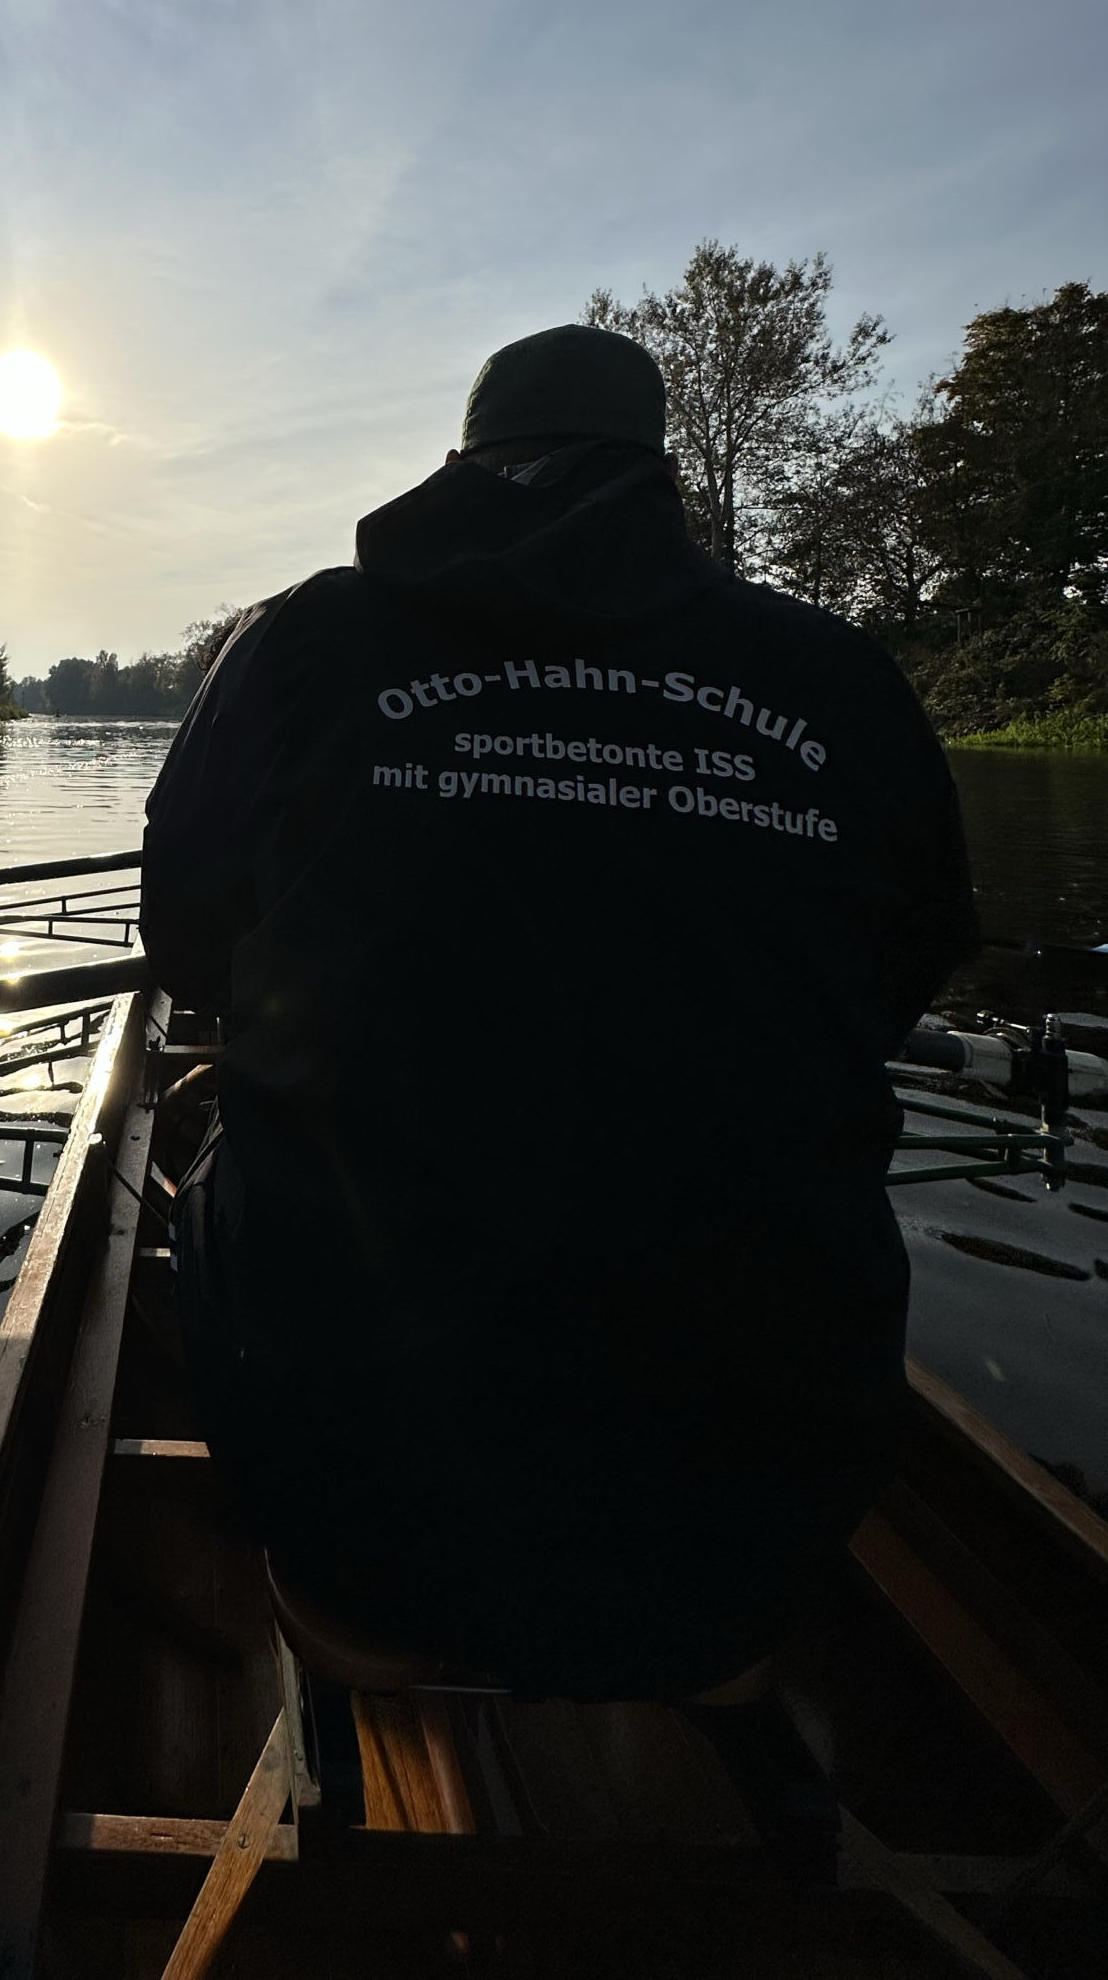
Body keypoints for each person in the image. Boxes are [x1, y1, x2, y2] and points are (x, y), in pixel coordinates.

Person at [140, 322, 977, 1703]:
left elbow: (188, 949)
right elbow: (896, 977)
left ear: (463, 465)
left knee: (219, 1137)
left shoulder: (302, 640)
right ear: (658, 479)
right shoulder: (842, 678)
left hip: (360, 1515)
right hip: (753, 1531)